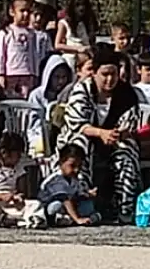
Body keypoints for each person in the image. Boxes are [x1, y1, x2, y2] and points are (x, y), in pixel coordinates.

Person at [59, 48, 143, 223]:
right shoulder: (82, 90)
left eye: (113, 74)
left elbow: (130, 123)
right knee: (82, 144)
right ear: (95, 73)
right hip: (81, 138)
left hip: (114, 141)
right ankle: (81, 203)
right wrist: (100, 133)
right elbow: (77, 124)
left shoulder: (126, 93)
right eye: (104, 74)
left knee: (127, 150)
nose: (110, 79)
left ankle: (124, 209)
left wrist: (117, 134)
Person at [0, 0, 50, 97]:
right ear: (12, 12)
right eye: (22, 11)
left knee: (25, 100)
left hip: (28, 74)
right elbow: (1, 55)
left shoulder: (32, 33)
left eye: (28, 11)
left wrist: (35, 74)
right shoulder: (6, 31)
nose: (25, 14)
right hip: (11, 74)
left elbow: (34, 54)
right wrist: (0, 74)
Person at [38, 144, 99, 227]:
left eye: (79, 166)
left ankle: (70, 219)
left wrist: (88, 194)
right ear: (61, 162)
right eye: (72, 166)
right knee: (56, 206)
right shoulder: (56, 179)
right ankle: (55, 219)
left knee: (88, 205)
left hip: (71, 208)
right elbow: (65, 199)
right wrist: (77, 219)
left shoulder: (75, 179)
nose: (76, 170)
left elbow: (78, 193)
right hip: (54, 207)